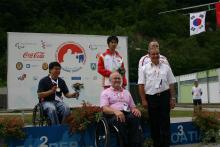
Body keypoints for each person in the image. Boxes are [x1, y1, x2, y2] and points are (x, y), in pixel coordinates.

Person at [138, 45, 176, 147]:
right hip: (151, 98)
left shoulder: (166, 67)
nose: (155, 56)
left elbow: (171, 83)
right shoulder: (144, 68)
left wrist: (172, 98)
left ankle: (166, 144)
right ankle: (157, 144)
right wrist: (143, 100)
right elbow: (141, 85)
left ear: (159, 55)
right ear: (149, 55)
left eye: (157, 54)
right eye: (153, 54)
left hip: (164, 96)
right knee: (154, 123)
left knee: (165, 122)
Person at [100, 71, 143, 147]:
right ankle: (124, 144)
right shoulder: (105, 92)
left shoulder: (126, 92)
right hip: (112, 115)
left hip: (126, 113)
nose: (117, 80)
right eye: (115, 78)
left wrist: (135, 109)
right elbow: (105, 108)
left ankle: (135, 144)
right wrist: (116, 111)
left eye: (119, 78)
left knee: (135, 117)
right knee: (120, 119)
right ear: (110, 81)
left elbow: (132, 106)